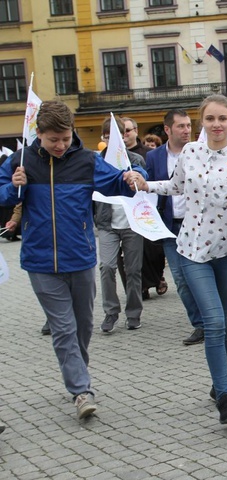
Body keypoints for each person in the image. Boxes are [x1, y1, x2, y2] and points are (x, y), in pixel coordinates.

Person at [0, 100, 146, 419]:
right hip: (40, 262)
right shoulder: (20, 161)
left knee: (82, 327)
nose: (60, 145)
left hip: (80, 257)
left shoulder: (86, 161)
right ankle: (81, 390)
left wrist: (136, 177)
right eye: (53, 139)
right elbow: (1, 194)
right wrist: (13, 188)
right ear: (39, 134)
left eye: (65, 138)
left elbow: (118, 180)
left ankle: (76, 369)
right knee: (63, 328)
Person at [133, 95, 227, 424]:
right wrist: (147, 185)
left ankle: (219, 384)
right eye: (210, 119)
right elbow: (176, 186)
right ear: (203, 122)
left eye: (223, 119)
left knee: (226, 323)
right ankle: (225, 395)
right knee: (213, 322)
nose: (216, 124)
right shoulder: (190, 152)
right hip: (192, 249)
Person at [145, 109, 204, 346]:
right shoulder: (154, 157)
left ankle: (213, 319)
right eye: (181, 126)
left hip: (198, 225)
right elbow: (151, 189)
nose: (187, 130)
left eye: (189, 125)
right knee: (180, 278)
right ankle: (200, 324)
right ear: (168, 129)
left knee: (200, 275)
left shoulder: (200, 152)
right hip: (170, 226)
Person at [95, 116, 146, 333]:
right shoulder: (97, 162)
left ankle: (133, 313)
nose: (117, 140)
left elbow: (144, 179)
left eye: (120, 135)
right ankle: (110, 312)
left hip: (132, 223)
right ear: (104, 138)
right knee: (106, 267)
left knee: (133, 270)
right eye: (109, 136)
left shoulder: (135, 160)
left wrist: (136, 176)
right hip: (106, 223)